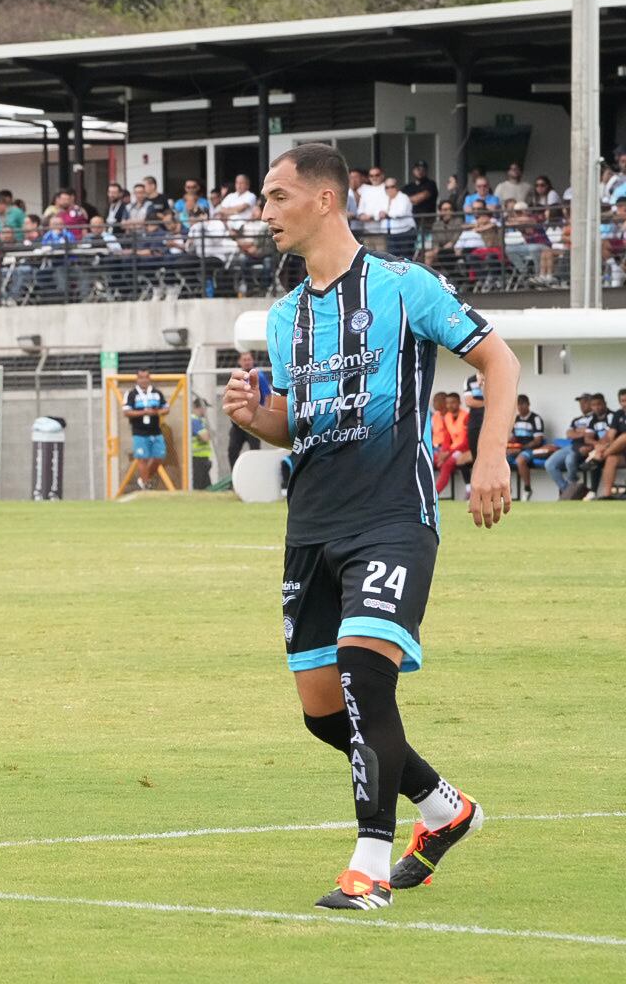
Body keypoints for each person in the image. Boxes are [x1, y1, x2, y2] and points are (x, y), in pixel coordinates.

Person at [223, 141, 517, 912]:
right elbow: (296, 426)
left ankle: (369, 866)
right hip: (311, 527)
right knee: (325, 713)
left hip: (392, 517)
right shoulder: (286, 315)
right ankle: (446, 808)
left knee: (365, 677)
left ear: (325, 199)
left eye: (277, 197)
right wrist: (259, 418)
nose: (265, 213)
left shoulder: (401, 285)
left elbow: (501, 363)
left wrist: (491, 458)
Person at [122, 368, 168, 491]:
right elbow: (126, 412)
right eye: (141, 377)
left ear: (149, 378)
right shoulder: (131, 394)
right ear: (137, 379)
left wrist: (155, 412)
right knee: (142, 458)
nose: (144, 380)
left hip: (155, 430)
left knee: (159, 457)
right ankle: (146, 484)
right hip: (139, 432)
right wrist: (143, 412)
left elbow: (166, 408)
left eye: (146, 377)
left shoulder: (156, 393)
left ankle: (144, 479)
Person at [586, 387, 626, 499]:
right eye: (622, 401)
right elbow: (611, 435)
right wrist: (601, 446)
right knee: (611, 459)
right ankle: (607, 495)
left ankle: (600, 457)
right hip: (621, 452)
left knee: (624, 436)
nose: (625, 404)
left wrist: (603, 451)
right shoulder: (618, 414)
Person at [228, 352, 264, 472]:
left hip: (253, 421)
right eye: (245, 359)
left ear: (253, 361)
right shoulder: (236, 378)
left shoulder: (260, 377)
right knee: (232, 450)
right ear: (240, 362)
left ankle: (255, 476)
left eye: (249, 359)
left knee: (255, 452)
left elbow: (268, 397)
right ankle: (235, 479)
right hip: (238, 424)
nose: (247, 362)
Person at [506, 394, 546, 501]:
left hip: (532, 449)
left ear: (528, 404)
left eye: (522, 404)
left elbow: (538, 440)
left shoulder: (536, 419)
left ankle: (527, 489)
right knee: (501, 460)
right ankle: (506, 490)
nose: (520, 407)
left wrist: (521, 448)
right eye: (518, 405)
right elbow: (513, 437)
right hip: (518, 448)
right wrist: (509, 446)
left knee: (520, 460)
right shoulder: (515, 419)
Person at [433, 392, 472, 494]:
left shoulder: (466, 416)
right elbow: (447, 438)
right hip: (451, 450)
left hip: (463, 450)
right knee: (435, 460)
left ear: (459, 402)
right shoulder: (447, 417)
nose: (450, 405)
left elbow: (467, 441)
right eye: (448, 403)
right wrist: (443, 452)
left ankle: (435, 493)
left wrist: (448, 453)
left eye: (453, 402)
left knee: (447, 464)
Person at [190, 397, 213, 489]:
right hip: (197, 458)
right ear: (198, 408)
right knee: (199, 486)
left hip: (203, 458)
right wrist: (208, 432)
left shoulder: (200, 421)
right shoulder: (194, 420)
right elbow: (205, 437)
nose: (205, 410)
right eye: (204, 408)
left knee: (206, 487)